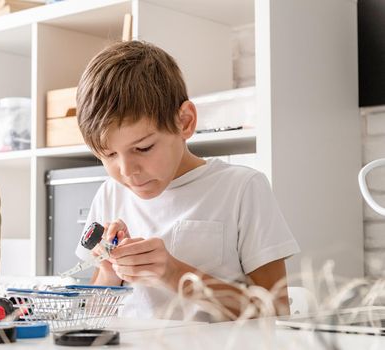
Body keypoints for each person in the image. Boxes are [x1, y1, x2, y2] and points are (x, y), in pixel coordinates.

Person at [74, 41, 300, 320]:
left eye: (143, 148)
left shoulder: (242, 189)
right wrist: (110, 270)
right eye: (108, 155)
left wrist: (174, 273)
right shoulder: (111, 194)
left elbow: (276, 311)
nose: (127, 170)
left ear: (185, 122)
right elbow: (93, 315)